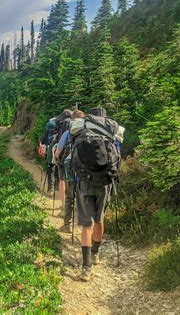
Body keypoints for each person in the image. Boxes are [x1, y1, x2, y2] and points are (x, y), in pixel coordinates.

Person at [70, 107, 123, 282]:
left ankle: (86, 268)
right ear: (104, 117)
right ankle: (95, 253)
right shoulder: (113, 128)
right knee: (99, 220)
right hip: (105, 182)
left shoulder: (80, 126)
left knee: (87, 225)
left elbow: (72, 150)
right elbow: (118, 155)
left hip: (85, 181)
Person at [55, 109, 85, 232]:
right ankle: (86, 225)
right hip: (87, 170)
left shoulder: (68, 133)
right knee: (84, 195)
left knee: (70, 196)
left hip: (73, 167)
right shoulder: (89, 131)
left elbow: (59, 151)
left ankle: (67, 224)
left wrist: (57, 158)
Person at [54, 109, 72, 214]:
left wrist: (56, 158)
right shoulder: (77, 126)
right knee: (72, 181)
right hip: (75, 157)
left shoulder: (62, 126)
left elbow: (59, 148)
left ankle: (63, 204)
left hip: (63, 156)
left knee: (62, 180)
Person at [39, 116, 58, 193]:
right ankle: (58, 186)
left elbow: (42, 141)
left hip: (49, 152)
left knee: (51, 170)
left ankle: (51, 189)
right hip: (59, 152)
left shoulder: (47, 130)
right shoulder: (59, 130)